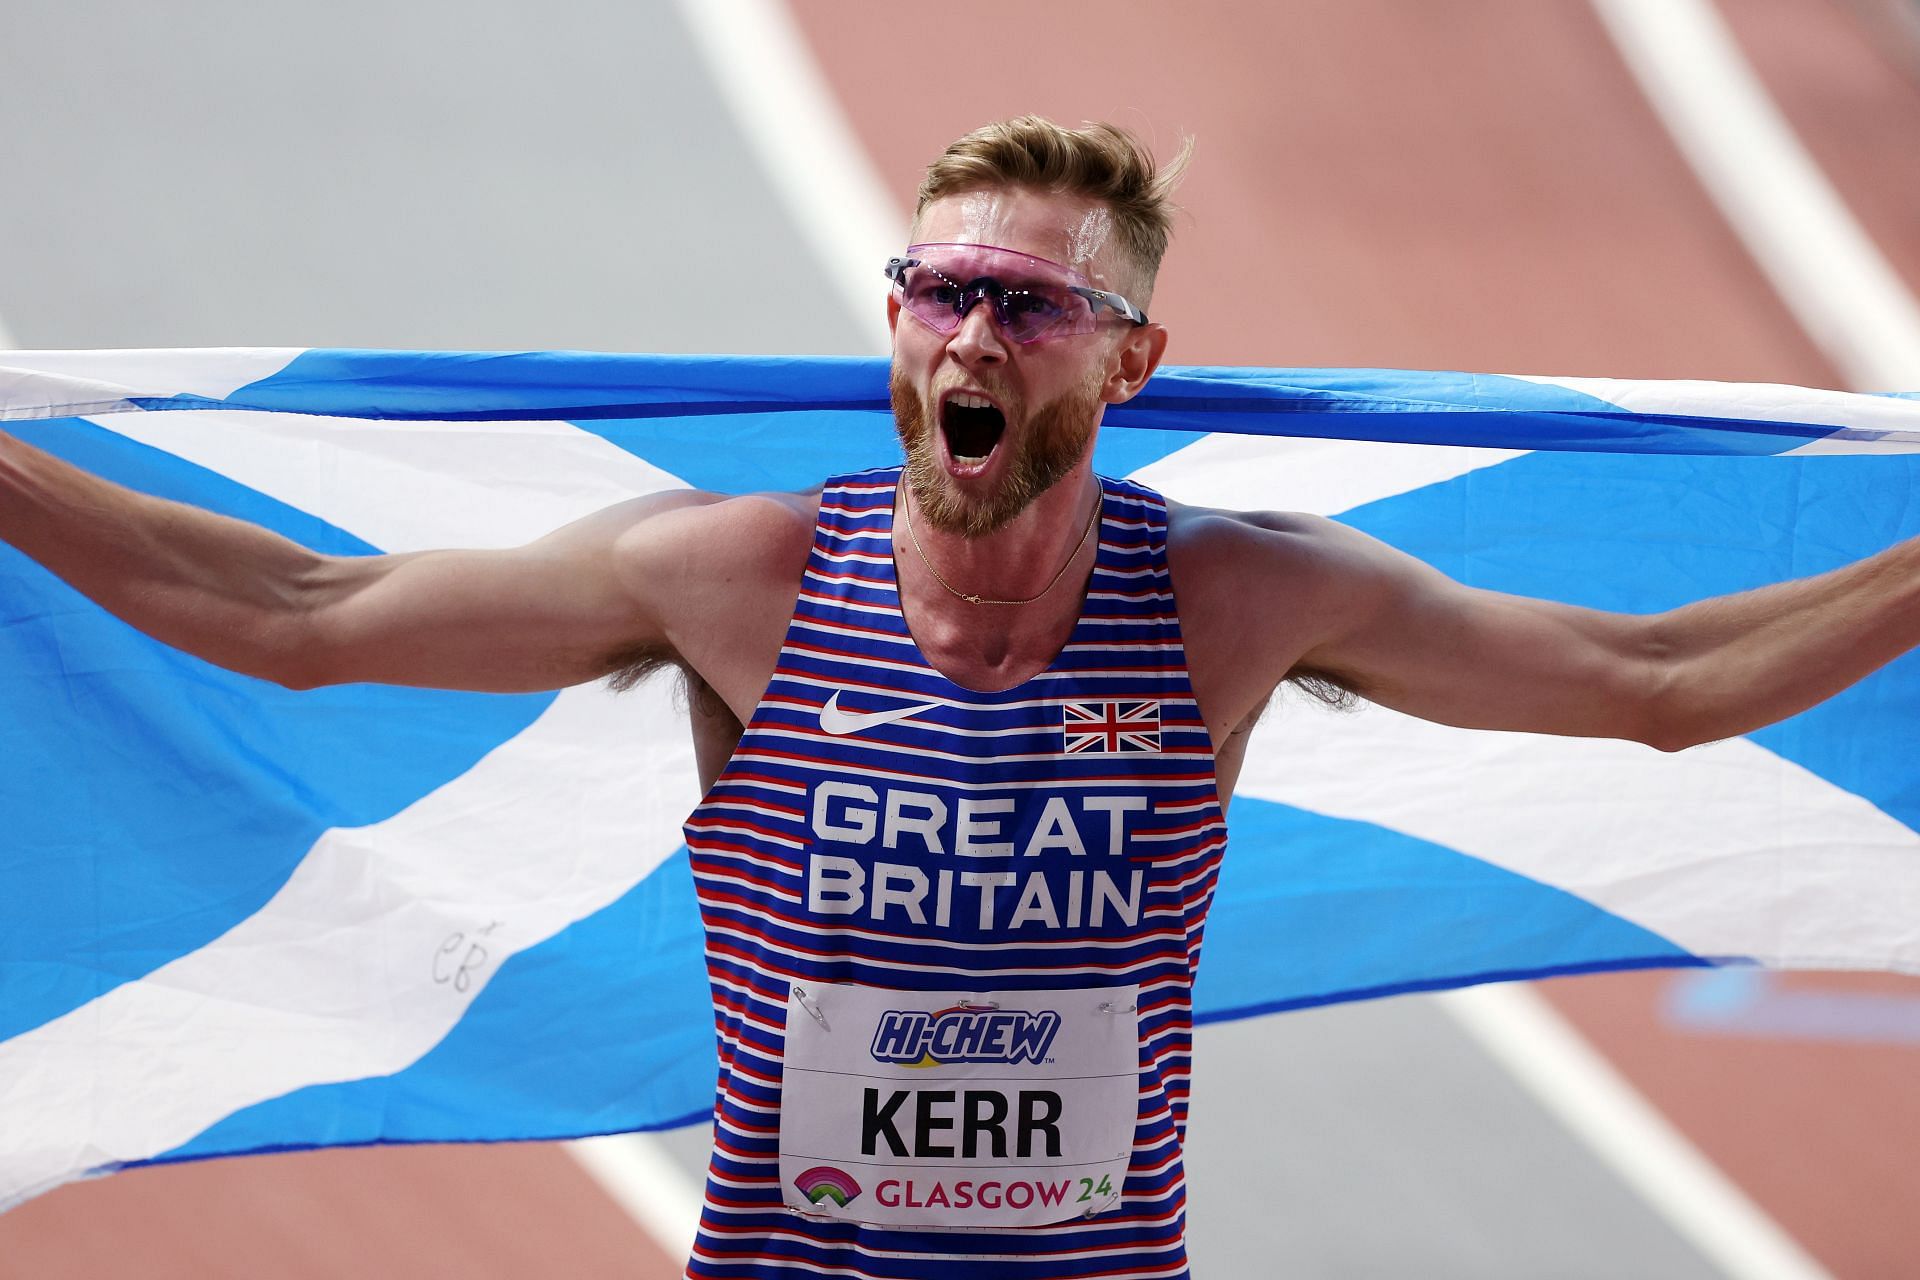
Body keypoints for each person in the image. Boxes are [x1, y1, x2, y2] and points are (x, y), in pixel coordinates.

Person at [2, 116, 1916, 1278]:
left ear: (1132, 359)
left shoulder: (1236, 601)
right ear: (898, 321)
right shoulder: (737, 577)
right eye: (942, 291)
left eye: (1034, 303)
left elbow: (1663, 680)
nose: (976, 331)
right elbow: (299, 608)